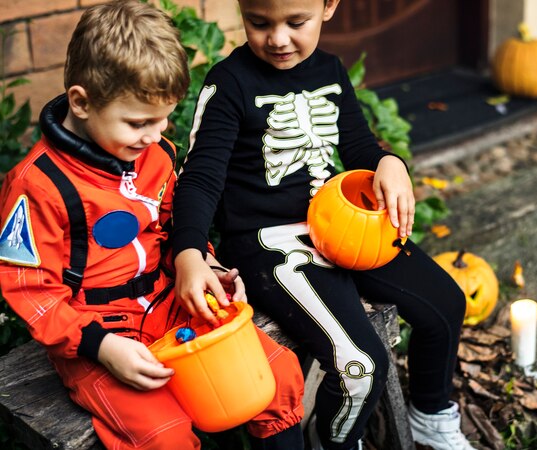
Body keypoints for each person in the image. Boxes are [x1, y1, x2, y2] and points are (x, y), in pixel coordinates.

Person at [0, 1, 305, 449]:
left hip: (168, 301)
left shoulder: (152, 153)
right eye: (138, 122)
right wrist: (102, 348)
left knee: (276, 375)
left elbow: (171, 225)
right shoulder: (38, 186)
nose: (155, 133)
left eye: (163, 117)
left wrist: (203, 265)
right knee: (164, 436)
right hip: (94, 331)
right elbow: (31, 290)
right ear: (82, 102)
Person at [172, 0, 474, 449]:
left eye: (296, 22)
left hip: (341, 225)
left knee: (445, 303)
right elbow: (201, 176)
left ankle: (431, 415)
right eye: (259, 23)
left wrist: (389, 161)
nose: (277, 38)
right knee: (360, 365)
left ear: (329, 6)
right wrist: (189, 253)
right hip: (268, 244)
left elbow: (357, 146)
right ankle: (334, 441)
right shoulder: (230, 83)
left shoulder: (330, 71)